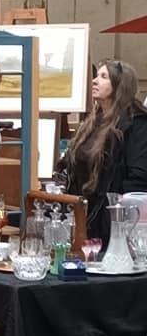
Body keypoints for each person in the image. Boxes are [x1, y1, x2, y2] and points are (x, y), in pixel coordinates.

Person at [63, 60, 147, 243]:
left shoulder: (137, 123)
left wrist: (119, 219)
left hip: (113, 220)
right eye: (96, 76)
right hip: (83, 213)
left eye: (103, 77)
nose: (94, 81)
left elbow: (138, 177)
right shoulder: (93, 122)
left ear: (119, 85)